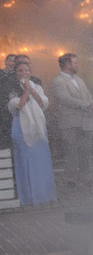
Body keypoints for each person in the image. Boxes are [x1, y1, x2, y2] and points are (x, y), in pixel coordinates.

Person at [7, 60, 56, 206]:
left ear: (30, 72)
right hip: (21, 127)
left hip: (38, 128)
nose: (24, 73)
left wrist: (32, 89)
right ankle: (29, 197)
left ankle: (44, 196)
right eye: (20, 71)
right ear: (16, 74)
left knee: (40, 161)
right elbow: (18, 105)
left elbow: (42, 103)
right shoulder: (12, 88)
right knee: (25, 161)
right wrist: (26, 90)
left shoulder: (37, 87)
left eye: (26, 70)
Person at [49, 53, 93, 188]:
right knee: (72, 152)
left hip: (85, 121)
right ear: (67, 65)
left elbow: (88, 95)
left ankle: (86, 178)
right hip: (69, 123)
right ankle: (71, 180)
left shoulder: (79, 80)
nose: (77, 65)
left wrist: (91, 103)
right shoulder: (58, 81)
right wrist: (85, 104)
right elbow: (64, 99)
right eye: (75, 63)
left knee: (86, 152)